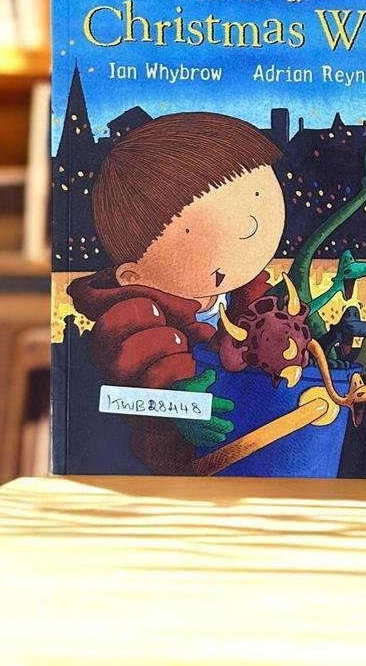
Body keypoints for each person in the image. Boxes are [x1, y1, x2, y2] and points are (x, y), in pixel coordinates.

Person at [67, 111, 286, 472]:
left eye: (258, 196)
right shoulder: (132, 316)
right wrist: (181, 405)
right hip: (175, 465)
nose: (250, 227)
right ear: (134, 276)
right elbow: (123, 395)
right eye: (197, 232)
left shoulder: (247, 294)